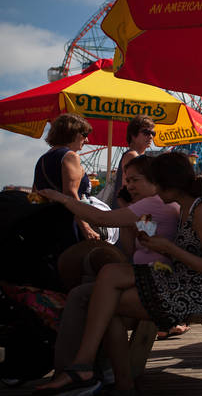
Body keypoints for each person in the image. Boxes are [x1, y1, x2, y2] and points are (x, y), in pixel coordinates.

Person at [35, 152, 202, 395]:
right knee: (108, 295)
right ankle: (102, 374)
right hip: (183, 283)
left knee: (106, 288)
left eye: (158, 183)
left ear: (171, 183)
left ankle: (91, 370)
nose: (157, 190)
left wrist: (169, 248)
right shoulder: (184, 208)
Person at [40, 155, 183, 376]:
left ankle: (75, 370)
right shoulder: (152, 207)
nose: (129, 185)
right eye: (128, 181)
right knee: (92, 300)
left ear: (153, 180)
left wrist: (64, 198)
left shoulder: (154, 202)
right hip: (147, 277)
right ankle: (106, 374)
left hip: (155, 280)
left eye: (135, 180)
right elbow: (138, 246)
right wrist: (128, 214)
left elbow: (101, 219)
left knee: (84, 296)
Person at [33, 113, 99, 241]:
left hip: (47, 223)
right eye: (84, 135)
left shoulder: (43, 158)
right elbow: (70, 194)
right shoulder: (71, 156)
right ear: (72, 133)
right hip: (68, 223)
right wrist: (86, 227)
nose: (87, 140)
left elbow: (35, 195)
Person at [111, 115, 155, 209]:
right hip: (128, 211)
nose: (151, 136)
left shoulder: (137, 156)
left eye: (153, 133)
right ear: (133, 135)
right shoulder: (132, 156)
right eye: (146, 132)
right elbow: (130, 189)